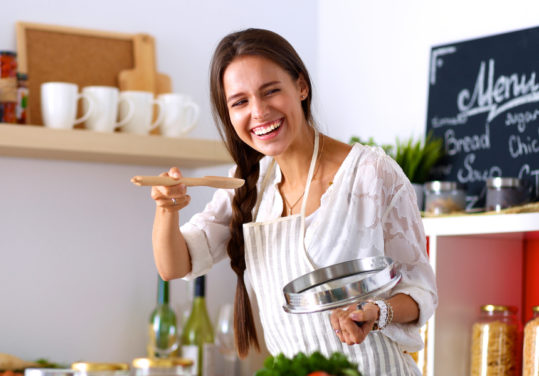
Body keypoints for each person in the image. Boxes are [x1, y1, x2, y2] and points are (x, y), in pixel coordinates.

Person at [150, 28, 437, 375]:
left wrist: (376, 312)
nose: (258, 112)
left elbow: (421, 292)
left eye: (271, 91)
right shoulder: (245, 183)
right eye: (239, 102)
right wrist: (167, 208)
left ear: (301, 86)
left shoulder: (370, 173)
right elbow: (174, 266)